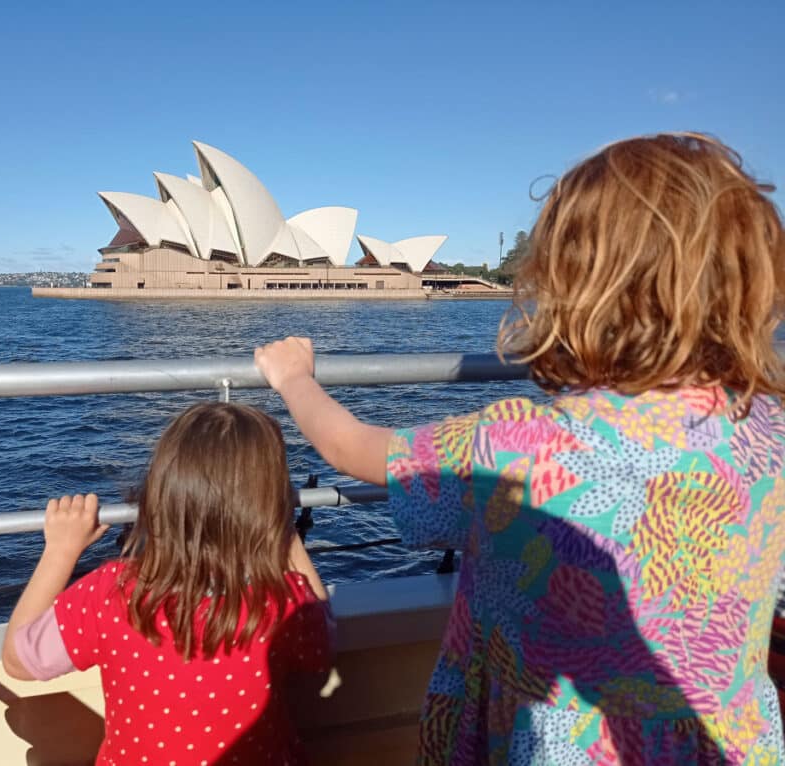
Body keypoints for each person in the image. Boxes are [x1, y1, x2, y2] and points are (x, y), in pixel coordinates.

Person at [255, 133, 785, 764]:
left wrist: (294, 378)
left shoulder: (514, 445)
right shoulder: (770, 434)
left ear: (571, 285)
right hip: (721, 739)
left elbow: (350, 448)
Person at [2, 402, 334, 766]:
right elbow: (321, 643)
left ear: (159, 494)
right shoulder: (284, 600)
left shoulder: (111, 592)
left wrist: (61, 551)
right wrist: (285, 532)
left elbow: (18, 662)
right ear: (269, 510)